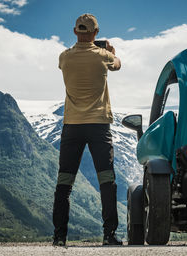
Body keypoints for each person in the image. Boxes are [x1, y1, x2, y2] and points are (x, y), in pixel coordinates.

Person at [52, 13, 122, 246]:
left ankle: (59, 237)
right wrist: (112, 52)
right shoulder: (103, 56)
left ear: (75, 32)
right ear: (96, 33)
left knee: (64, 182)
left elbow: (65, 60)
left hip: (72, 126)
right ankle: (109, 235)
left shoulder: (64, 57)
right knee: (107, 180)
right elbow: (118, 65)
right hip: (98, 125)